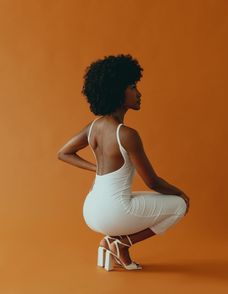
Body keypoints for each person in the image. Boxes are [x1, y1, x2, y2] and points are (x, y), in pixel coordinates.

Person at [57, 54, 190, 271]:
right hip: (114, 212)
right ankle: (121, 243)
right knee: (179, 206)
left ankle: (115, 242)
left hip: (91, 210)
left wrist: (97, 170)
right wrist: (181, 193)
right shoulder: (127, 135)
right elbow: (153, 182)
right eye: (132, 87)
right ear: (117, 91)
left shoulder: (94, 126)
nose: (139, 93)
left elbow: (63, 153)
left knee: (139, 199)